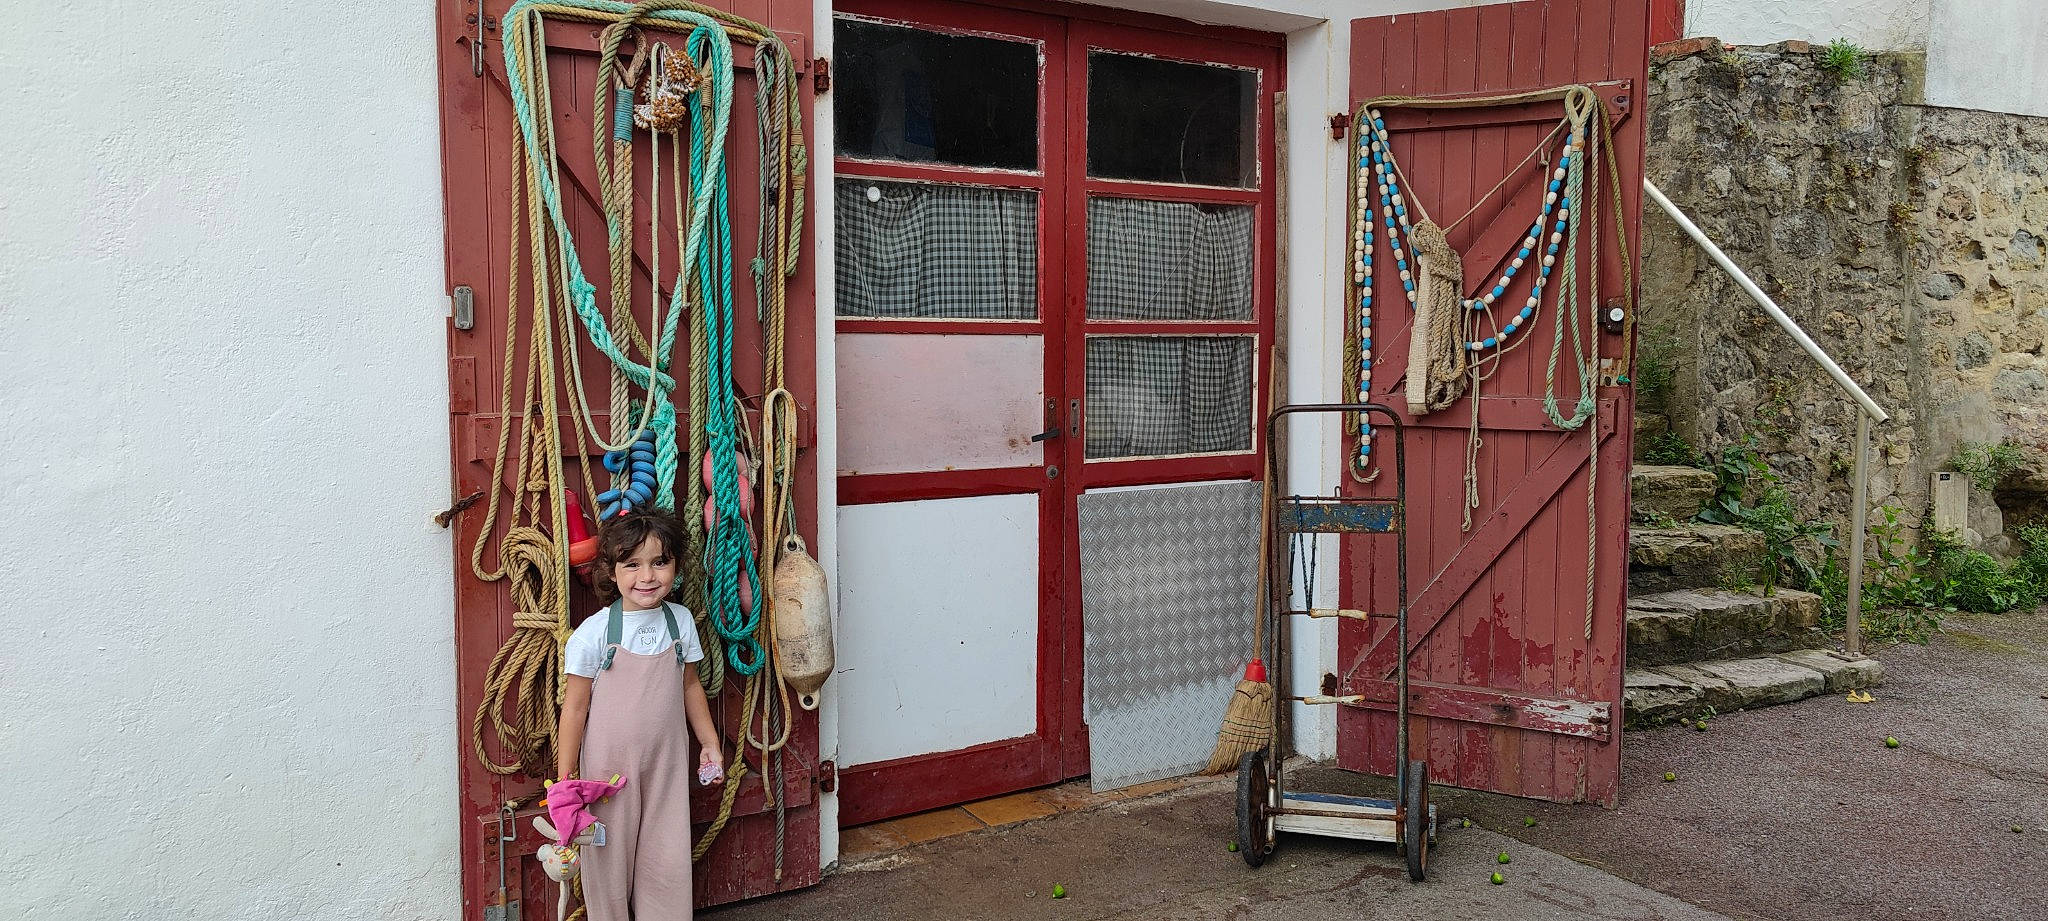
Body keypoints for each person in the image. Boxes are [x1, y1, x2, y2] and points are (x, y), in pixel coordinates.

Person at [557, 509, 724, 919]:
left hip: (667, 766)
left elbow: (689, 686)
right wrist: (564, 782)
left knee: (666, 861)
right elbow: (575, 709)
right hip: (607, 777)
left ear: (676, 567)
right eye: (632, 564)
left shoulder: (680, 622)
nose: (646, 576)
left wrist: (709, 742)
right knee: (607, 866)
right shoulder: (592, 634)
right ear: (611, 573)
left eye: (659, 562)